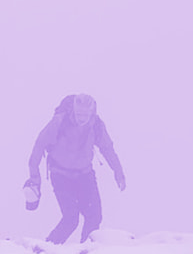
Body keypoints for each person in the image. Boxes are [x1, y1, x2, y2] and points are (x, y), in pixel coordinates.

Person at [25, 93, 126, 244]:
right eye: (79, 114)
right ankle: (46, 249)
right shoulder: (60, 122)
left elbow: (108, 149)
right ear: (73, 110)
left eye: (86, 114)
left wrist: (118, 172)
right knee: (71, 219)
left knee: (94, 216)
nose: (82, 118)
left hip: (85, 175)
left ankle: (86, 253)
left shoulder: (96, 125)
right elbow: (39, 145)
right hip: (60, 175)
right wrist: (35, 179)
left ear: (92, 112)